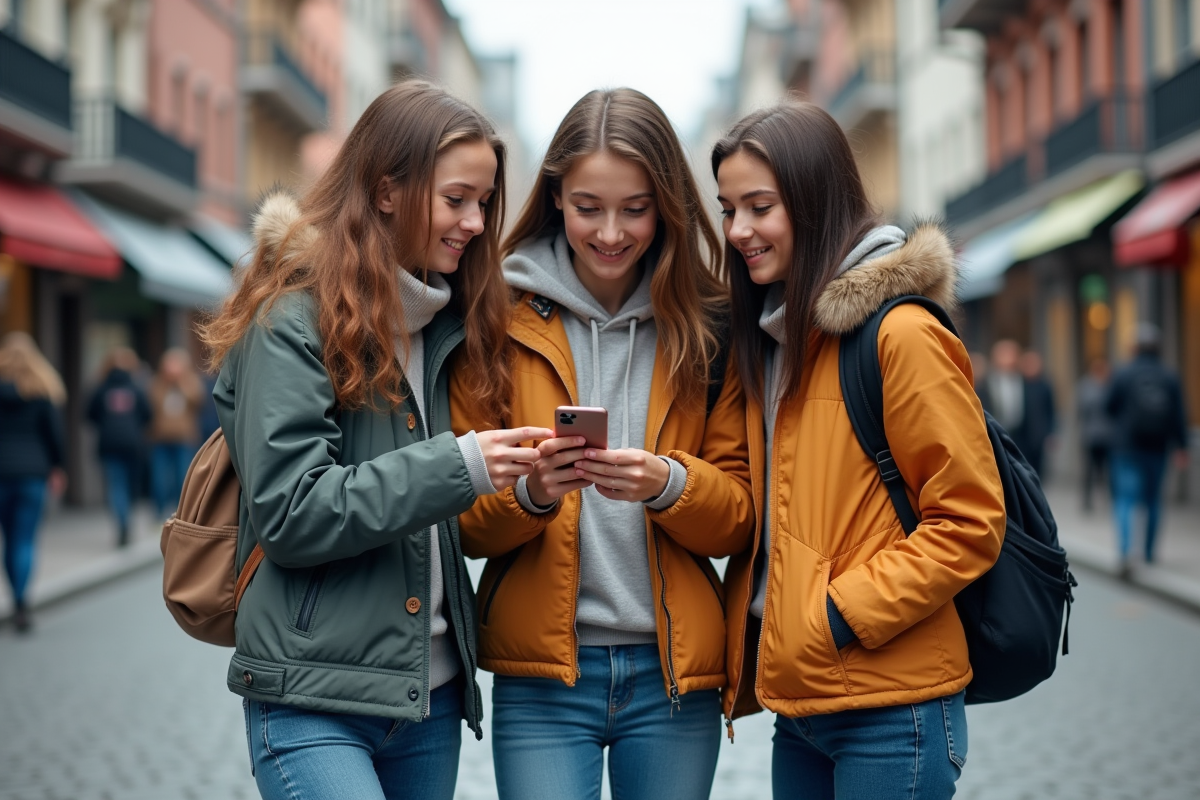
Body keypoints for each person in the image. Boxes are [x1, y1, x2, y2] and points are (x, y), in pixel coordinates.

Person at [202, 80, 550, 800]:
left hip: (429, 701)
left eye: (484, 202)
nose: (477, 222)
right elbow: (294, 512)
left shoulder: (450, 325)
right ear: (387, 190)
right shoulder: (293, 318)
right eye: (456, 199)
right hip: (312, 699)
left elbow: (447, 520)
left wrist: (527, 490)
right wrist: (459, 465)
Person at [452, 88, 754, 800]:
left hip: (673, 677)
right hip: (544, 677)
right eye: (589, 207)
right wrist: (529, 493)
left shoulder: (710, 324)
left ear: (667, 204)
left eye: (636, 209)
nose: (612, 232)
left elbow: (741, 516)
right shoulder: (495, 314)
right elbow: (459, 521)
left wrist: (669, 485)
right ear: (555, 196)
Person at [713, 101, 1005, 799]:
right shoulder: (781, 339)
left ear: (815, 201)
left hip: (893, 705)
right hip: (804, 708)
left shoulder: (899, 334)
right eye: (728, 210)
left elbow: (969, 520)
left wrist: (838, 615)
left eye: (760, 206)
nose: (739, 231)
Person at [1105, 323, 1189, 573]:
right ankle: (1150, 553)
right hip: (1157, 447)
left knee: (1125, 499)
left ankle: (1125, 552)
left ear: (1135, 348)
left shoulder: (1124, 373)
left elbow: (1109, 406)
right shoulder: (1169, 376)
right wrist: (1182, 447)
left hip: (1126, 447)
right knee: (1153, 500)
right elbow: (1179, 415)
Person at [0, 333, 67, 633]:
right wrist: (57, 468)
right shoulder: (42, 390)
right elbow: (55, 436)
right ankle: (22, 603)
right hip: (33, 474)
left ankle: (15, 597)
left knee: (8, 539)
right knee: (24, 539)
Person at [87, 347, 151, 547]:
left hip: (109, 444)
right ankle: (126, 520)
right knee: (130, 485)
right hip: (132, 444)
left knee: (116, 485)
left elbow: (89, 414)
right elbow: (148, 415)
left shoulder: (101, 388)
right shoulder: (136, 388)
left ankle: (121, 521)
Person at [147, 348, 203, 518]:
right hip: (161, 438)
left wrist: (180, 382)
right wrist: (166, 381)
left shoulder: (190, 381)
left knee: (182, 477)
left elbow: (198, 400)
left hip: (184, 437)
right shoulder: (158, 382)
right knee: (159, 478)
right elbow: (152, 402)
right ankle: (158, 512)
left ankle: (181, 513)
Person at [1077, 357, 1112, 511]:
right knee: (1089, 470)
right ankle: (1087, 500)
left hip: (1109, 436)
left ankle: (1109, 499)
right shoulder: (1086, 385)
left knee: (1107, 470)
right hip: (1091, 435)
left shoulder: (1112, 384)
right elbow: (1081, 408)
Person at [1019, 349, 1056, 478]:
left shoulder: (1045, 386)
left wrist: (1051, 433)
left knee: (1038, 471)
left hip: (1039, 435)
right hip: (1021, 436)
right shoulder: (1018, 384)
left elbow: (1051, 410)